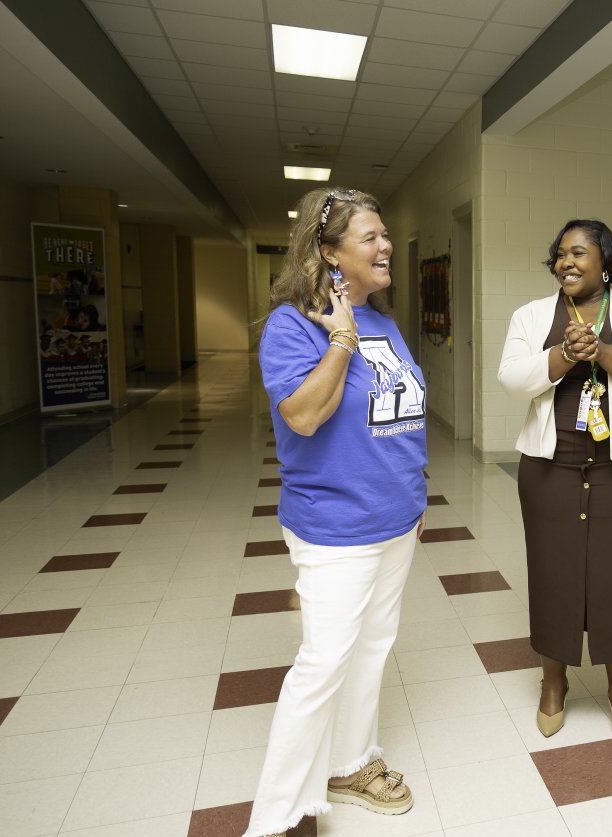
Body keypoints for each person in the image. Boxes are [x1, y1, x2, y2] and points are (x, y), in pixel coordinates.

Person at [244, 187, 427, 837]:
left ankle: (350, 762)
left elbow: (401, 411)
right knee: (324, 661)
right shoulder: (294, 323)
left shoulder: (386, 319)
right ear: (328, 252)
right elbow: (304, 412)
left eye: (385, 235)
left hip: (396, 519)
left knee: (373, 646)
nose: (386, 248)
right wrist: (342, 341)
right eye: (372, 237)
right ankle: (280, 817)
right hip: (336, 527)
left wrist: (417, 491)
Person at [498, 219, 612, 745]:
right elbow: (511, 378)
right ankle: (553, 683)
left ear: (605, 260)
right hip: (550, 469)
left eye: (578, 252)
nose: (566, 262)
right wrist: (561, 356)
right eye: (559, 254)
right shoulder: (531, 316)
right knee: (554, 573)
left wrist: (601, 353)